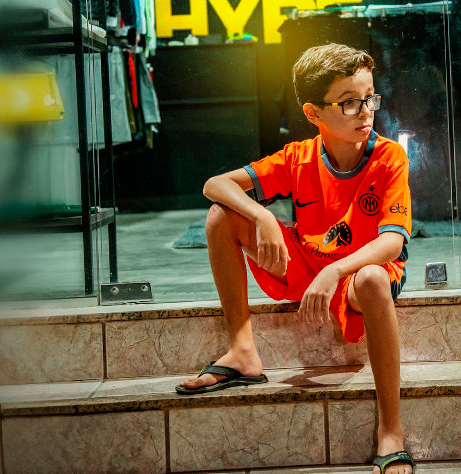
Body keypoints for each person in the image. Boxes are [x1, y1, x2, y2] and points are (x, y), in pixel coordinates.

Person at [177, 43, 415, 474]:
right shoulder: (298, 157)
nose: (366, 111)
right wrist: (262, 215)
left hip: (359, 274)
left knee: (372, 279)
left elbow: (392, 243)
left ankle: (391, 430)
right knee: (221, 216)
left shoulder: (389, 156)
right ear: (313, 113)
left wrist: (336, 270)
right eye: (350, 102)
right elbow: (215, 185)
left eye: (370, 98)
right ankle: (242, 351)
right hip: (309, 265)